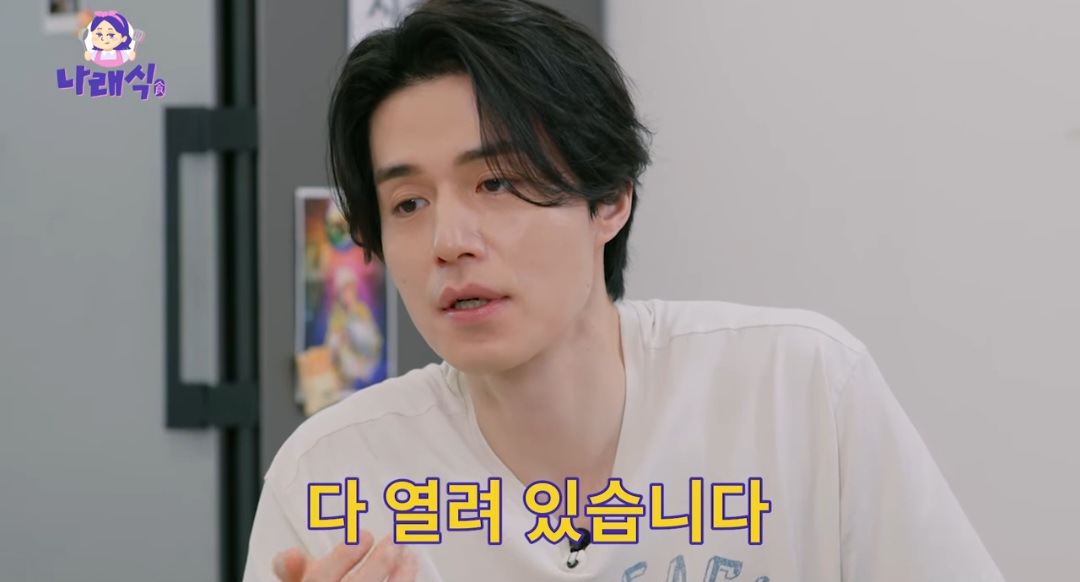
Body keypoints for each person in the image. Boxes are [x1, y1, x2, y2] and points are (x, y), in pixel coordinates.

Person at [242, 1, 1005, 581]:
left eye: (496, 182)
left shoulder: (798, 390)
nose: (450, 239)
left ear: (609, 199)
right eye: (409, 203)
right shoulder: (333, 478)